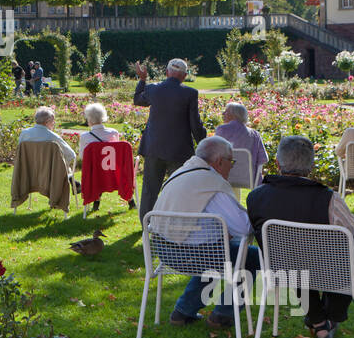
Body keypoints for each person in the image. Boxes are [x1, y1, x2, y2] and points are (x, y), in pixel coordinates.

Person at [246, 135, 354, 338]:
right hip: (327, 271)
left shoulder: (256, 197)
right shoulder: (328, 198)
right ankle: (331, 317)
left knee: (298, 260)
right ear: (311, 165)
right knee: (351, 250)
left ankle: (319, 323)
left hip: (282, 269)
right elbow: (351, 229)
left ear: (278, 162)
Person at [152, 136, 260, 328]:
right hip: (190, 256)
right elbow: (243, 228)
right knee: (252, 256)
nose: (232, 167)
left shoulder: (182, 171)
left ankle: (183, 312)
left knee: (219, 248)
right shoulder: (211, 182)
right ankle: (223, 314)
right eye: (231, 162)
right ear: (219, 161)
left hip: (161, 249)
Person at [133, 58, 207, 224]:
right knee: (179, 189)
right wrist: (204, 144)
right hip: (179, 150)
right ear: (184, 76)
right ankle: (175, 225)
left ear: (167, 73)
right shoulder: (190, 93)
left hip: (154, 147)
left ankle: (146, 226)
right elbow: (195, 124)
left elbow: (138, 100)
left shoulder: (153, 89)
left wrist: (143, 80)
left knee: (150, 190)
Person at [78, 102, 133, 211]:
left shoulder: (85, 137)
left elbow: (82, 157)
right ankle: (131, 202)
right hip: (114, 174)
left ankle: (96, 202)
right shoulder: (113, 132)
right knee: (104, 172)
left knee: (97, 171)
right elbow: (118, 155)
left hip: (96, 175)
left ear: (89, 119)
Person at [214, 102, 268, 188]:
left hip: (225, 175)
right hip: (248, 177)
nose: (223, 113)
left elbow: (214, 154)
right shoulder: (255, 134)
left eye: (226, 112)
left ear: (234, 115)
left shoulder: (222, 130)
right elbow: (263, 159)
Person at [17, 106, 76, 177]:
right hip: (49, 177)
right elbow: (71, 155)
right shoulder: (53, 137)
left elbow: (20, 154)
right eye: (53, 121)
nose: (54, 123)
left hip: (28, 175)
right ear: (47, 121)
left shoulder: (24, 134)